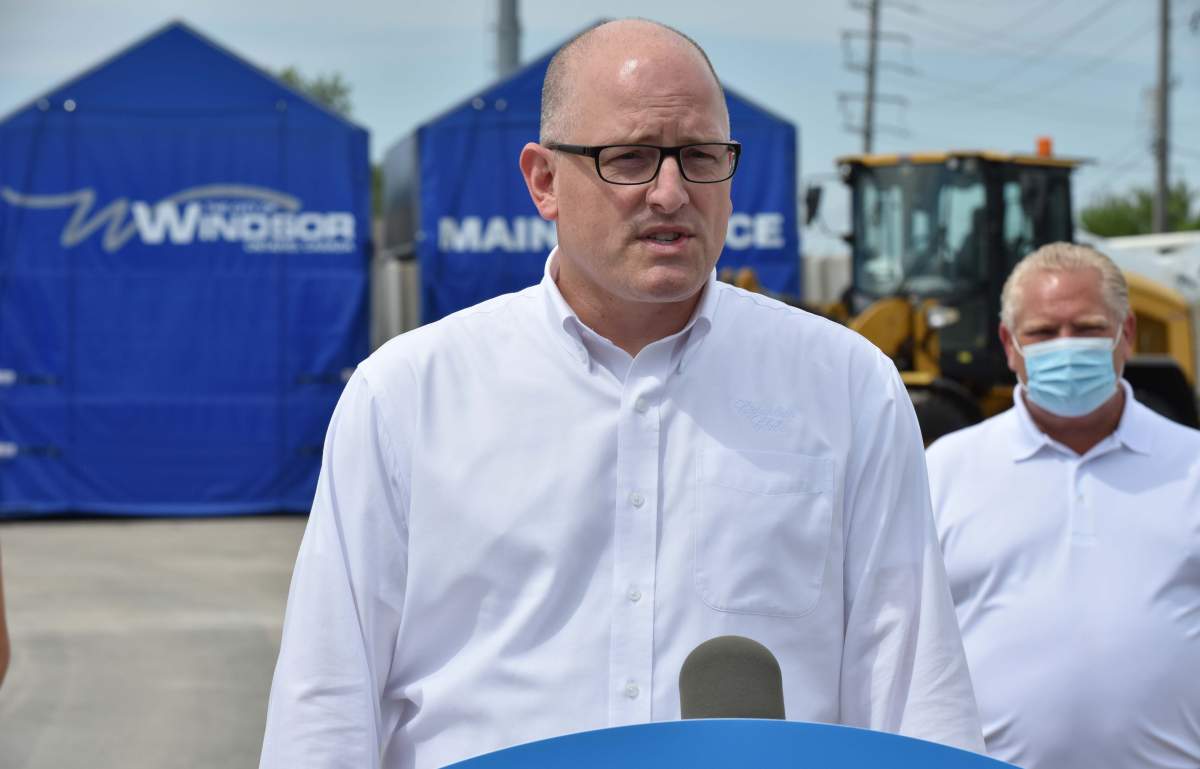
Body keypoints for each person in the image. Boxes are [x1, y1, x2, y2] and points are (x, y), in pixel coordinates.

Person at [260, 19, 982, 769]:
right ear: (544, 180)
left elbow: (909, 682)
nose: (670, 193)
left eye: (701, 157)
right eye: (630, 158)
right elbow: (327, 698)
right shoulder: (409, 395)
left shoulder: (847, 386)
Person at [926, 242, 1200, 769]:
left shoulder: (1190, 467)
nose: (1067, 347)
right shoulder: (948, 470)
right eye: (1044, 334)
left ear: (1128, 335)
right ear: (1010, 344)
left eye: (1089, 328)